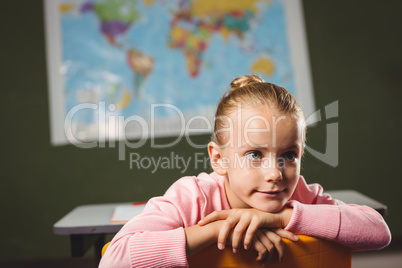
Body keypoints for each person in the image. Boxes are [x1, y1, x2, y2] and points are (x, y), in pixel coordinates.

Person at [99, 75, 391, 267]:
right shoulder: (193, 197)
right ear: (219, 159)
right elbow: (113, 259)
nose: (276, 173)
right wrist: (219, 229)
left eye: (289, 155)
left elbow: (378, 232)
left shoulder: (300, 193)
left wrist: (279, 217)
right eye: (254, 154)